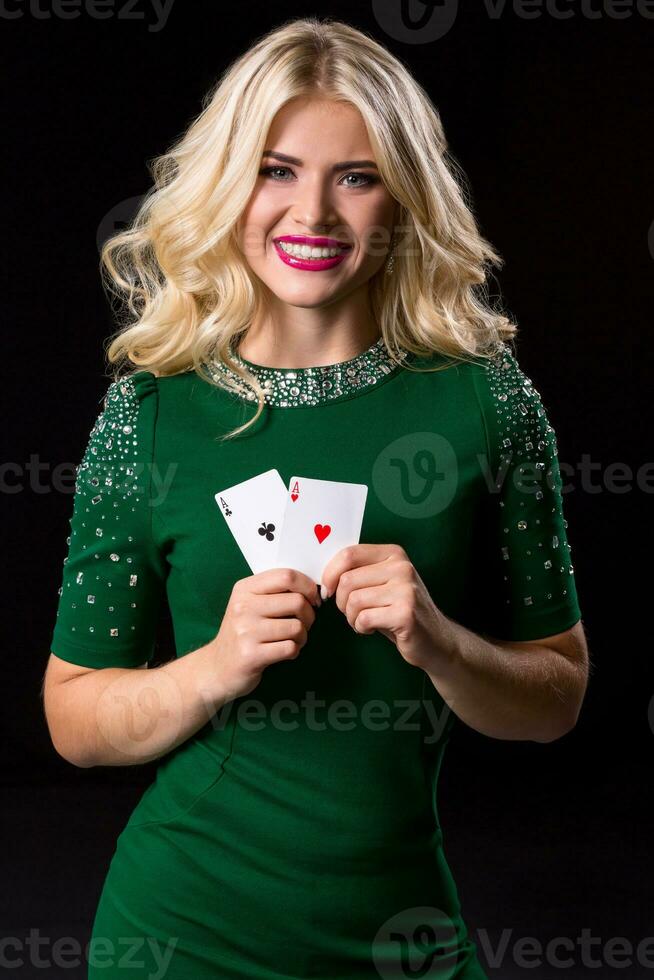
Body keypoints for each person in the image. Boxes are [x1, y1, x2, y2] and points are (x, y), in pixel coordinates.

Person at [42, 16, 589, 979]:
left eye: (358, 175)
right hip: (178, 937)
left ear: (405, 199)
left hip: (403, 938)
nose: (314, 216)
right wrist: (215, 665)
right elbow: (74, 718)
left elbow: (557, 699)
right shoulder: (149, 416)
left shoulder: (485, 399)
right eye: (276, 169)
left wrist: (440, 640)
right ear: (227, 185)